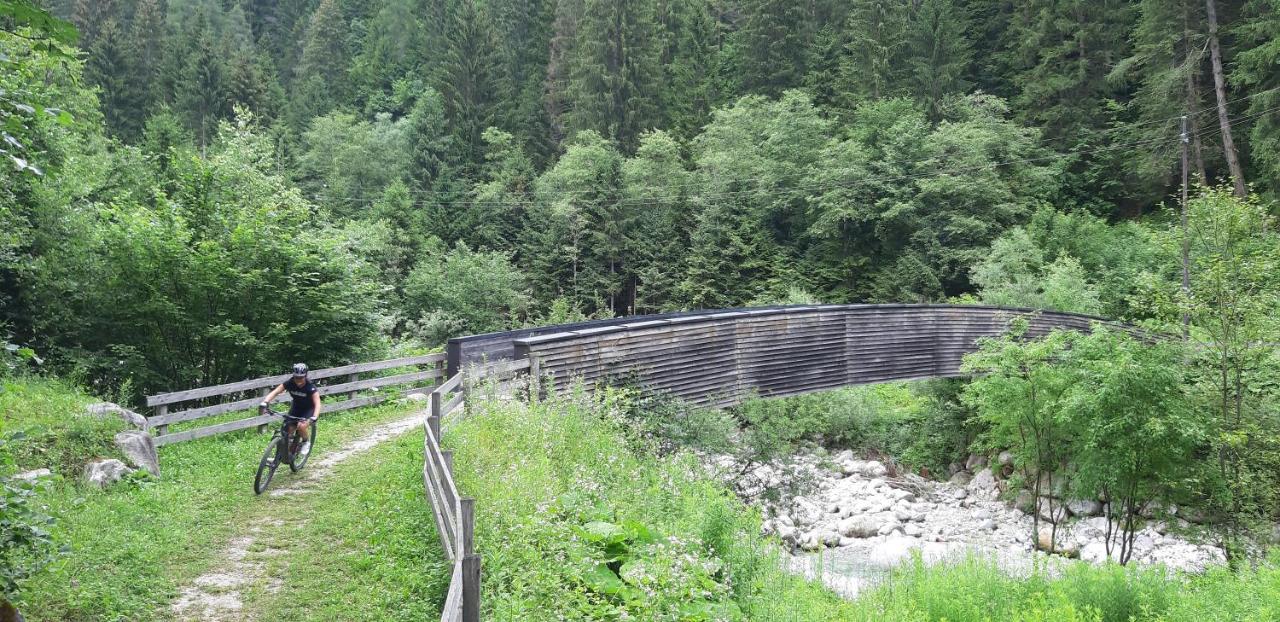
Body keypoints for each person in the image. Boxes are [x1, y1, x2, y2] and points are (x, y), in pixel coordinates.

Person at [261, 363, 321, 456]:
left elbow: (317, 403)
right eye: (296, 377)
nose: (298, 380)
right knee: (288, 429)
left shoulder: (310, 387)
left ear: (305, 376)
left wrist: (314, 417)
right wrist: (265, 402)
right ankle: (288, 450)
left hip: (309, 409)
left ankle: (306, 442)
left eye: (301, 378)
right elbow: (276, 391)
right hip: (296, 407)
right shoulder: (290, 383)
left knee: (301, 426)